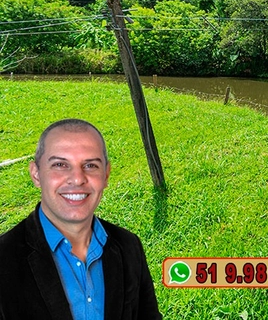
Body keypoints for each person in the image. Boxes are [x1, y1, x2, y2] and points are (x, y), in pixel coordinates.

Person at [0, 119, 162, 320]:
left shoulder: (129, 246)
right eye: (60, 165)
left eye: (90, 165)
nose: (77, 179)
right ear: (36, 174)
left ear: (106, 175)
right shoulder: (4, 259)